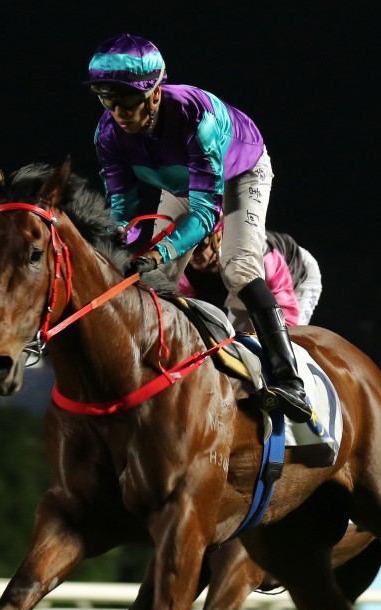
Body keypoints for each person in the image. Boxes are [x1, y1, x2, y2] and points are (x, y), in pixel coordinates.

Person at [83, 33, 311, 423]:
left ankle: (291, 381)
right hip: (183, 181)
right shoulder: (107, 134)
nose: (117, 113)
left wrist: (157, 251)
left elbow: (205, 216)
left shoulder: (195, 119)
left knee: (238, 267)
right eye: (107, 99)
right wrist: (125, 238)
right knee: (154, 277)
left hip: (241, 173)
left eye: (126, 101)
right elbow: (124, 209)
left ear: (155, 94)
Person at [178, 222, 322, 330]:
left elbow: (286, 313)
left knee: (288, 340)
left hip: (296, 278)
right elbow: (189, 313)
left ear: (218, 236)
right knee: (239, 346)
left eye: (199, 245)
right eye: (187, 246)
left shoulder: (258, 257)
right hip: (243, 286)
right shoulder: (185, 269)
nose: (192, 255)